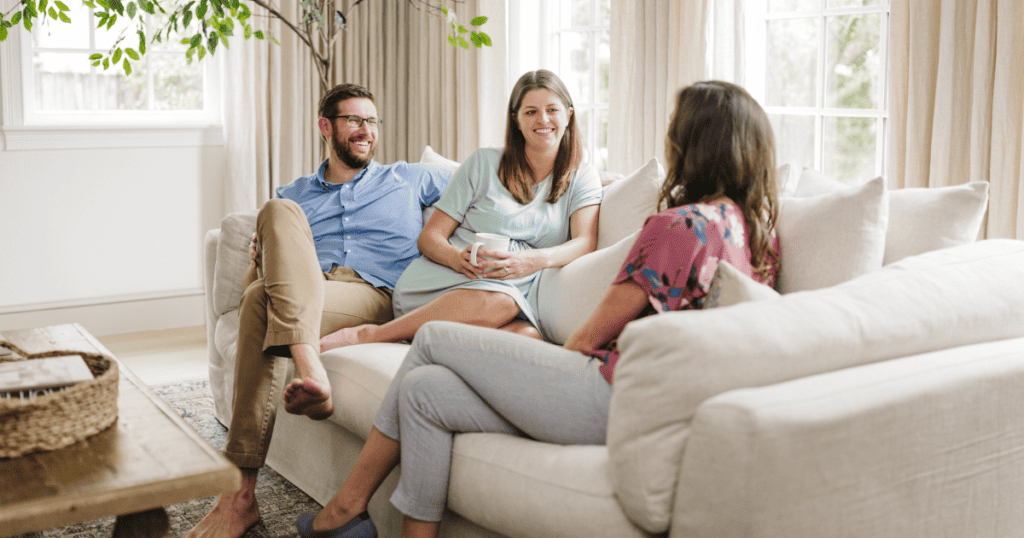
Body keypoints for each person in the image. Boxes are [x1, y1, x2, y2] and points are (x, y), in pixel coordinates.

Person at [294, 80, 782, 538]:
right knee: (424, 391)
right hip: (658, 395)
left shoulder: (677, 227)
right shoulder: (755, 233)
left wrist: (534, 373)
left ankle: (345, 507)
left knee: (435, 338)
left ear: (692, 145)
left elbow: (585, 341)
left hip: (612, 394)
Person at [187, 83, 453, 538]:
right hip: (308, 293)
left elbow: (488, 183)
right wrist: (263, 259)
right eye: (354, 120)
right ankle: (307, 376)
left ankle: (237, 497)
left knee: (259, 301)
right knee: (274, 222)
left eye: (371, 121)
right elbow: (259, 287)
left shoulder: (410, 178)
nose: (365, 130)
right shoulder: (295, 194)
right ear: (325, 127)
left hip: (370, 296)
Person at [318, 69, 602, 351]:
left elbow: (585, 242)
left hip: (516, 289)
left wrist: (530, 261)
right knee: (500, 302)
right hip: (446, 281)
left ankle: (429, 341)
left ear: (569, 115)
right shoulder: (483, 163)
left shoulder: (581, 176)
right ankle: (372, 336)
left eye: (552, 110)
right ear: (515, 120)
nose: (543, 120)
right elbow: (430, 237)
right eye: (530, 112)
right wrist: (457, 258)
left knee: (528, 337)